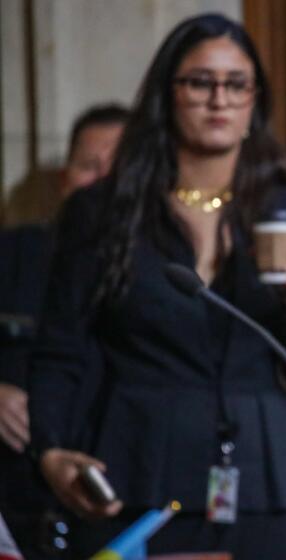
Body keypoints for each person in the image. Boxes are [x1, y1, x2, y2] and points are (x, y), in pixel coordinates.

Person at [27, 14, 286, 558]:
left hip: (264, 478)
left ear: (255, 101)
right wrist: (49, 450)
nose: (220, 99)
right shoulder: (101, 212)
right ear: (168, 93)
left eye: (237, 84)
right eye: (200, 82)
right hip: (141, 470)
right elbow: (59, 350)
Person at [0, 103, 128, 560]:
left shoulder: (160, 277)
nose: (103, 183)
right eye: (89, 167)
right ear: (63, 179)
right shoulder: (12, 252)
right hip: (16, 507)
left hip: (113, 505)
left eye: (118, 170)